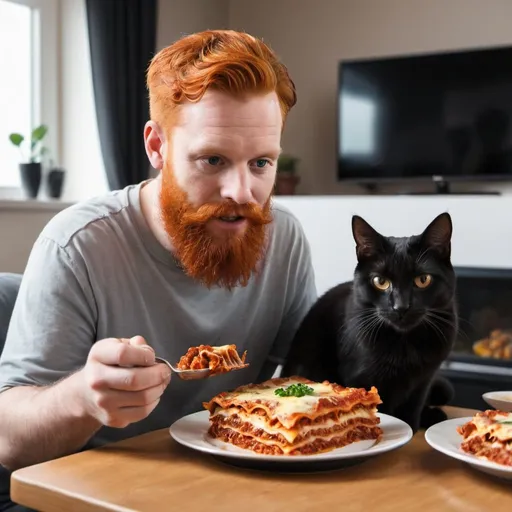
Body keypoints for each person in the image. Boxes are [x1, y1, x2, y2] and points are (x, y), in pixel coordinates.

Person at [0, 28, 317, 488]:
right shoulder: (77, 246)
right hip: (94, 490)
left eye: (261, 163)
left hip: (231, 481)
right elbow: (9, 441)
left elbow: (311, 378)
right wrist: (84, 400)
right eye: (212, 160)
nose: (241, 193)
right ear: (157, 146)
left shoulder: (282, 237)